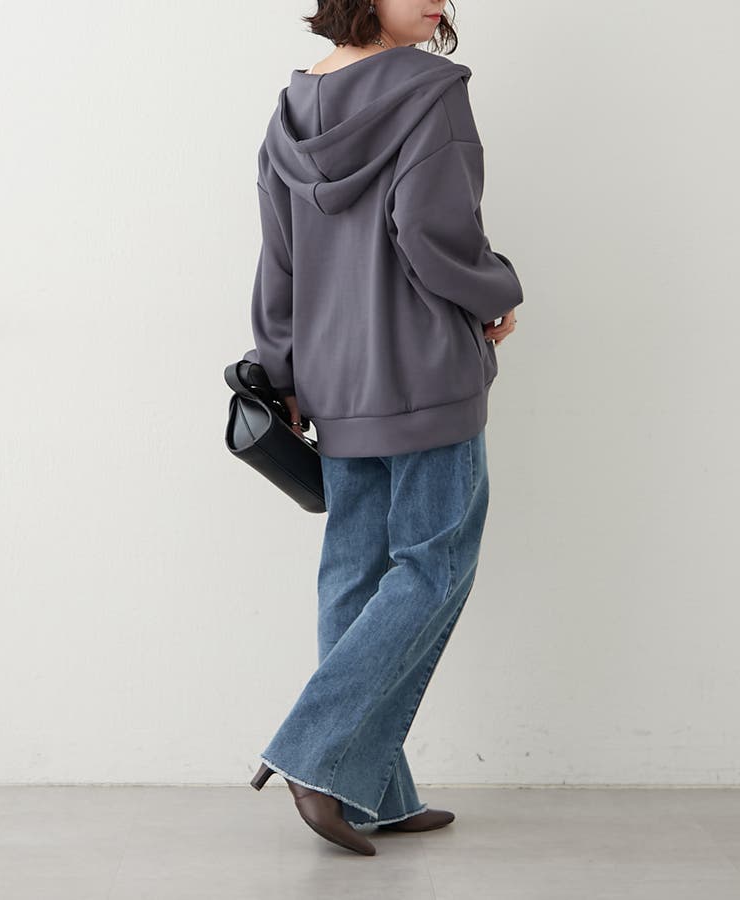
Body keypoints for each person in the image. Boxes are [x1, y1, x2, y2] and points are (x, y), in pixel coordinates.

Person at [244, 0, 523, 857]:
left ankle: (371, 793)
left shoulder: (292, 110)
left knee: (354, 577)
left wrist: (282, 369)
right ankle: (313, 753)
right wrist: (498, 292)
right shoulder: (430, 89)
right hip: (424, 370)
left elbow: (279, 259)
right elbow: (435, 233)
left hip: (334, 379)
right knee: (433, 567)